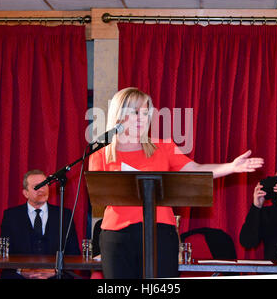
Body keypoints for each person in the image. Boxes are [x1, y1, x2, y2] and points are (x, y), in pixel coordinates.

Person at [88, 87, 264, 279]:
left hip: (160, 234)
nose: (142, 118)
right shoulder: (100, 154)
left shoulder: (163, 147)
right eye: (135, 112)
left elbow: (195, 170)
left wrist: (230, 167)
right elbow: (99, 195)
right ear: (119, 115)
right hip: (117, 236)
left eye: (146, 113)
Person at [0, 169, 80, 279]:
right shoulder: (11, 216)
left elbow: (74, 252)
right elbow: (3, 252)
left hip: (55, 276)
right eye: (36, 186)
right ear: (25, 193)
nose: (41, 189)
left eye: (44, 185)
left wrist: (55, 270)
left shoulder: (64, 215)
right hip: (21, 276)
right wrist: (21, 270)